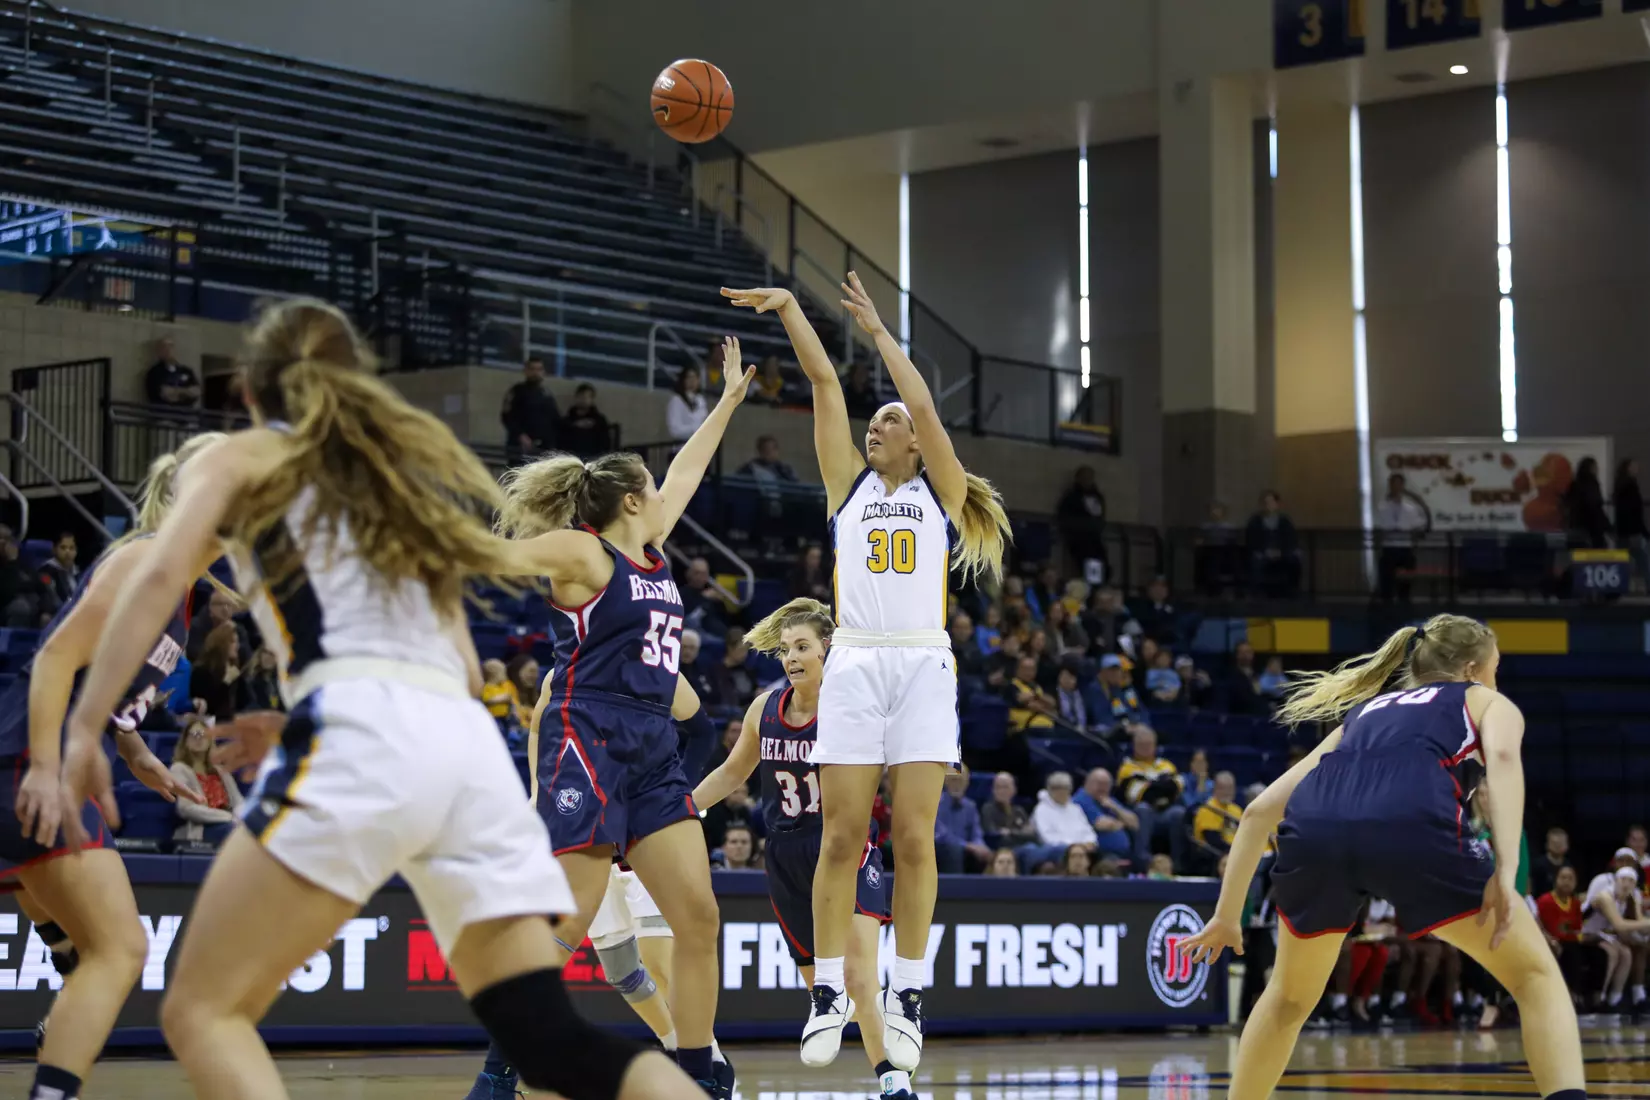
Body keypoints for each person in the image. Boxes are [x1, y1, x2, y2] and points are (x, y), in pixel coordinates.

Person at [60, 299, 701, 1100]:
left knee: (200, 1010)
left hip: (363, 725)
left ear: (254, 395)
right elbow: (465, 673)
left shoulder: (237, 456)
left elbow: (157, 577)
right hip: (463, 745)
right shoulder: (397, 475)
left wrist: (88, 728)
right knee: (548, 1036)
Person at [724, 276, 1011, 1070]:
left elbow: (920, 406)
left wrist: (884, 336)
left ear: (917, 441)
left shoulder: (938, 489)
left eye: (891, 421)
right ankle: (826, 996)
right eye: (876, 420)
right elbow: (820, 381)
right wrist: (788, 309)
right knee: (842, 834)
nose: (880, 427)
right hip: (853, 656)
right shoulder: (846, 489)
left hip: (921, 660)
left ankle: (908, 989)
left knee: (915, 834)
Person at [476, 334, 755, 1098]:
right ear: (632, 498)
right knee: (568, 925)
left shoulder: (652, 548)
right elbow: (489, 556)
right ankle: (501, 1068)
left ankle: (697, 1075)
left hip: (652, 744)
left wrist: (728, 400)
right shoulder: (584, 551)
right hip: (587, 733)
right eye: (654, 483)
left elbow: (691, 468)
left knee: (698, 918)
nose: (667, 488)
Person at [1178, 614, 1586, 1100]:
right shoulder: (1484, 700)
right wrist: (1507, 866)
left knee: (1287, 1000)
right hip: (1411, 824)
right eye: (1496, 667)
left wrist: (1227, 918)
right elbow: (1501, 763)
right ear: (1474, 670)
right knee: (1536, 976)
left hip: (1315, 832)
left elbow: (1258, 811)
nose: (1498, 678)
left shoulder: (1364, 714)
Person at [0, 436, 216, 1100]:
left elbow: (110, 681)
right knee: (120, 951)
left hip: (40, 757)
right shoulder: (143, 560)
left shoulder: (178, 589)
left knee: (82, 942)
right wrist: (42, 763)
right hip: (29, 756)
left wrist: (137, 751)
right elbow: (55, 659)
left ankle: (61, 1031)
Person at [693, 598, 913, 1100]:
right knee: (823, 986)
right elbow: (733, 772)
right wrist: (684, 807)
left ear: (827, 650)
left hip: (843, 847)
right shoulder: (763, 708)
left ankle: (893, 1081)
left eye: (802, 647)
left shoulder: (850, 705)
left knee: (857, 976)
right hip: (786, 855)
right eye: (786, 650)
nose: (791, 658)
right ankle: (878, 1059)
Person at [169, 715, 243, 844]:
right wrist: (228, 817)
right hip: (202, 829)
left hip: (231, 823)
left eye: (203, 734)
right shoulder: (179, 769)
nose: (199, 738)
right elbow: (185, 808)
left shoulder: (220, 771)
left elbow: (239, 802)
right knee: (235, 832)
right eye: (194, 734)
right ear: (185, 741)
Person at [1375, 473, 1427, 602]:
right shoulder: (1382, 507)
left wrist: (1410, 532)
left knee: (1405, 585)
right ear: (1390, 485)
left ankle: (1404, 608)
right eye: (1393, 484)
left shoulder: (1410, 508)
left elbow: (1419, 525)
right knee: (1386, 583)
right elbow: (1377, 524)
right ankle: (1386, 611)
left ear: (1402, 486)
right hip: (1389, 548)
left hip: (1405, 548)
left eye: (1399, 484)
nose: (1396, 487)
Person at [501, 358, 560, 466]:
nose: (536, 373)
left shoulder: (547, 394)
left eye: (539, 369)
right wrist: (520, 435)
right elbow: (507, 417)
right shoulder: (516, 391)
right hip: (520, 447)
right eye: (532, 369)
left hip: (542, 450)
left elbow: (554, 420)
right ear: (526, 371)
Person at [934, 764, 991, 874]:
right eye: (954, 780)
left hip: (965, 850)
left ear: (967, 783)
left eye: (961, 780)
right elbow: (941, 836)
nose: (957, 785)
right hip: (940, 850)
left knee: (988, 855)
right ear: (946, 782)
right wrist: (967, 846)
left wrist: (980, 846)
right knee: (954, 850)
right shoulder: (936, 804)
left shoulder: (970, 806)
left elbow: (976, 833)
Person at [1562, 456, 1611, 550]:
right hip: (1592, 528)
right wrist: (1607, 526)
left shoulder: (1574, 485)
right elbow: (1595, 507)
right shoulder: (1591, 484)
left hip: (1577, 525)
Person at [1613, 459, 1648, 588]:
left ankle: (1620, 585)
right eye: (1634, 466)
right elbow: (1634, 511)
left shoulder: (1620, 485)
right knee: (1643, 558)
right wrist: (1642, 530)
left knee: (1622, 559)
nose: (1637, 468)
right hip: (1632, 530)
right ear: (1628, 468)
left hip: (1622, 530)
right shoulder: (1630, 486)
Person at [145, 336, 201, 408]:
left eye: (171, 346)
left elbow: (196, 391)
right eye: (164, 347)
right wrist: (186, 392)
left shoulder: (186, 371)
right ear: (158, 351)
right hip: (164, 415)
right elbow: (165, 393)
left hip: (186, 415)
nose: (168, 350)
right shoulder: (154, 372)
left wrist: (176, 392)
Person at [559, 383, 613, 459]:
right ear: (576, 398)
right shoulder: (567, 420)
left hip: (593, 458)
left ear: (592, 399)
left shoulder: (599, 420)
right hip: (571, 458)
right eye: (580, 397)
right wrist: (574, 425)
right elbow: (560, 442)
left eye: (586, 397)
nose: (583, 400)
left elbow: (606, 444)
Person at [666, 365, 710, 444]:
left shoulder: (701, 400)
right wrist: (695, 429)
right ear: (683, 380)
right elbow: (674, 430)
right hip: (682, 448)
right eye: (689, 377)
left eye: (695, 378)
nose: (692, 381)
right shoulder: (676, 400)